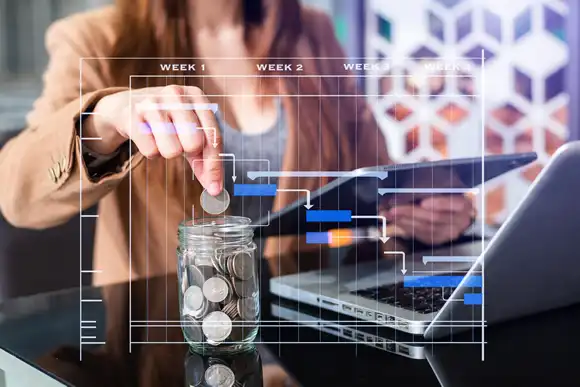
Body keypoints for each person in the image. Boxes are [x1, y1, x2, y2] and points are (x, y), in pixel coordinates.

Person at [0, 0, 474, 286]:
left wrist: (426, 214)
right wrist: (107, 116)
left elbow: (375, 183)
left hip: (303, 338)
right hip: (169, 345)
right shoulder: (99, 40)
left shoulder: (311, 34)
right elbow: (18, 196)